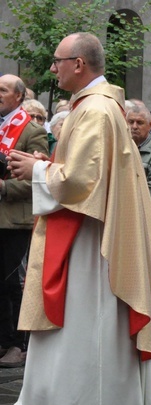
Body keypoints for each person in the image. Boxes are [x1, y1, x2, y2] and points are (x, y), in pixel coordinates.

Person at [1, 32, 151, 405]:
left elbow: (82, 181)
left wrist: (36, 169)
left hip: (90, 243)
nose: (52, 68)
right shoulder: (95, 106)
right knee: (77, 335)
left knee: (83, 333)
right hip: (85, 233)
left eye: (58, 60)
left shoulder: (96, 111)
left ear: (79, 63)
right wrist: (46, 168)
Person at [0, 75, 49, 369]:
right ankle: (3, 338)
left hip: (13, 218)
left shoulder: (31, 131)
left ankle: (18, 343)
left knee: (10, 283)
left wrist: (4, 188)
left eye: (3, 90)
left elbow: (38, 178)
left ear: (18, 96)